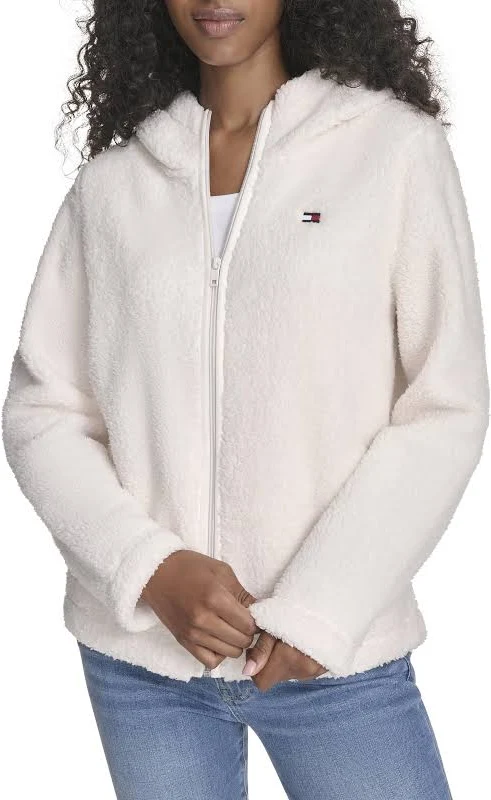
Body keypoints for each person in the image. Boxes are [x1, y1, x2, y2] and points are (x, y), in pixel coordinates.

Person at [2, 1, 488, 798]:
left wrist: (320, 610)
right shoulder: (113, 185)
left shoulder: (391, 151)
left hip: (331, 657)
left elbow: (444, 405)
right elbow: (43, 411)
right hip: (143, 666)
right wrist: (148, 568)